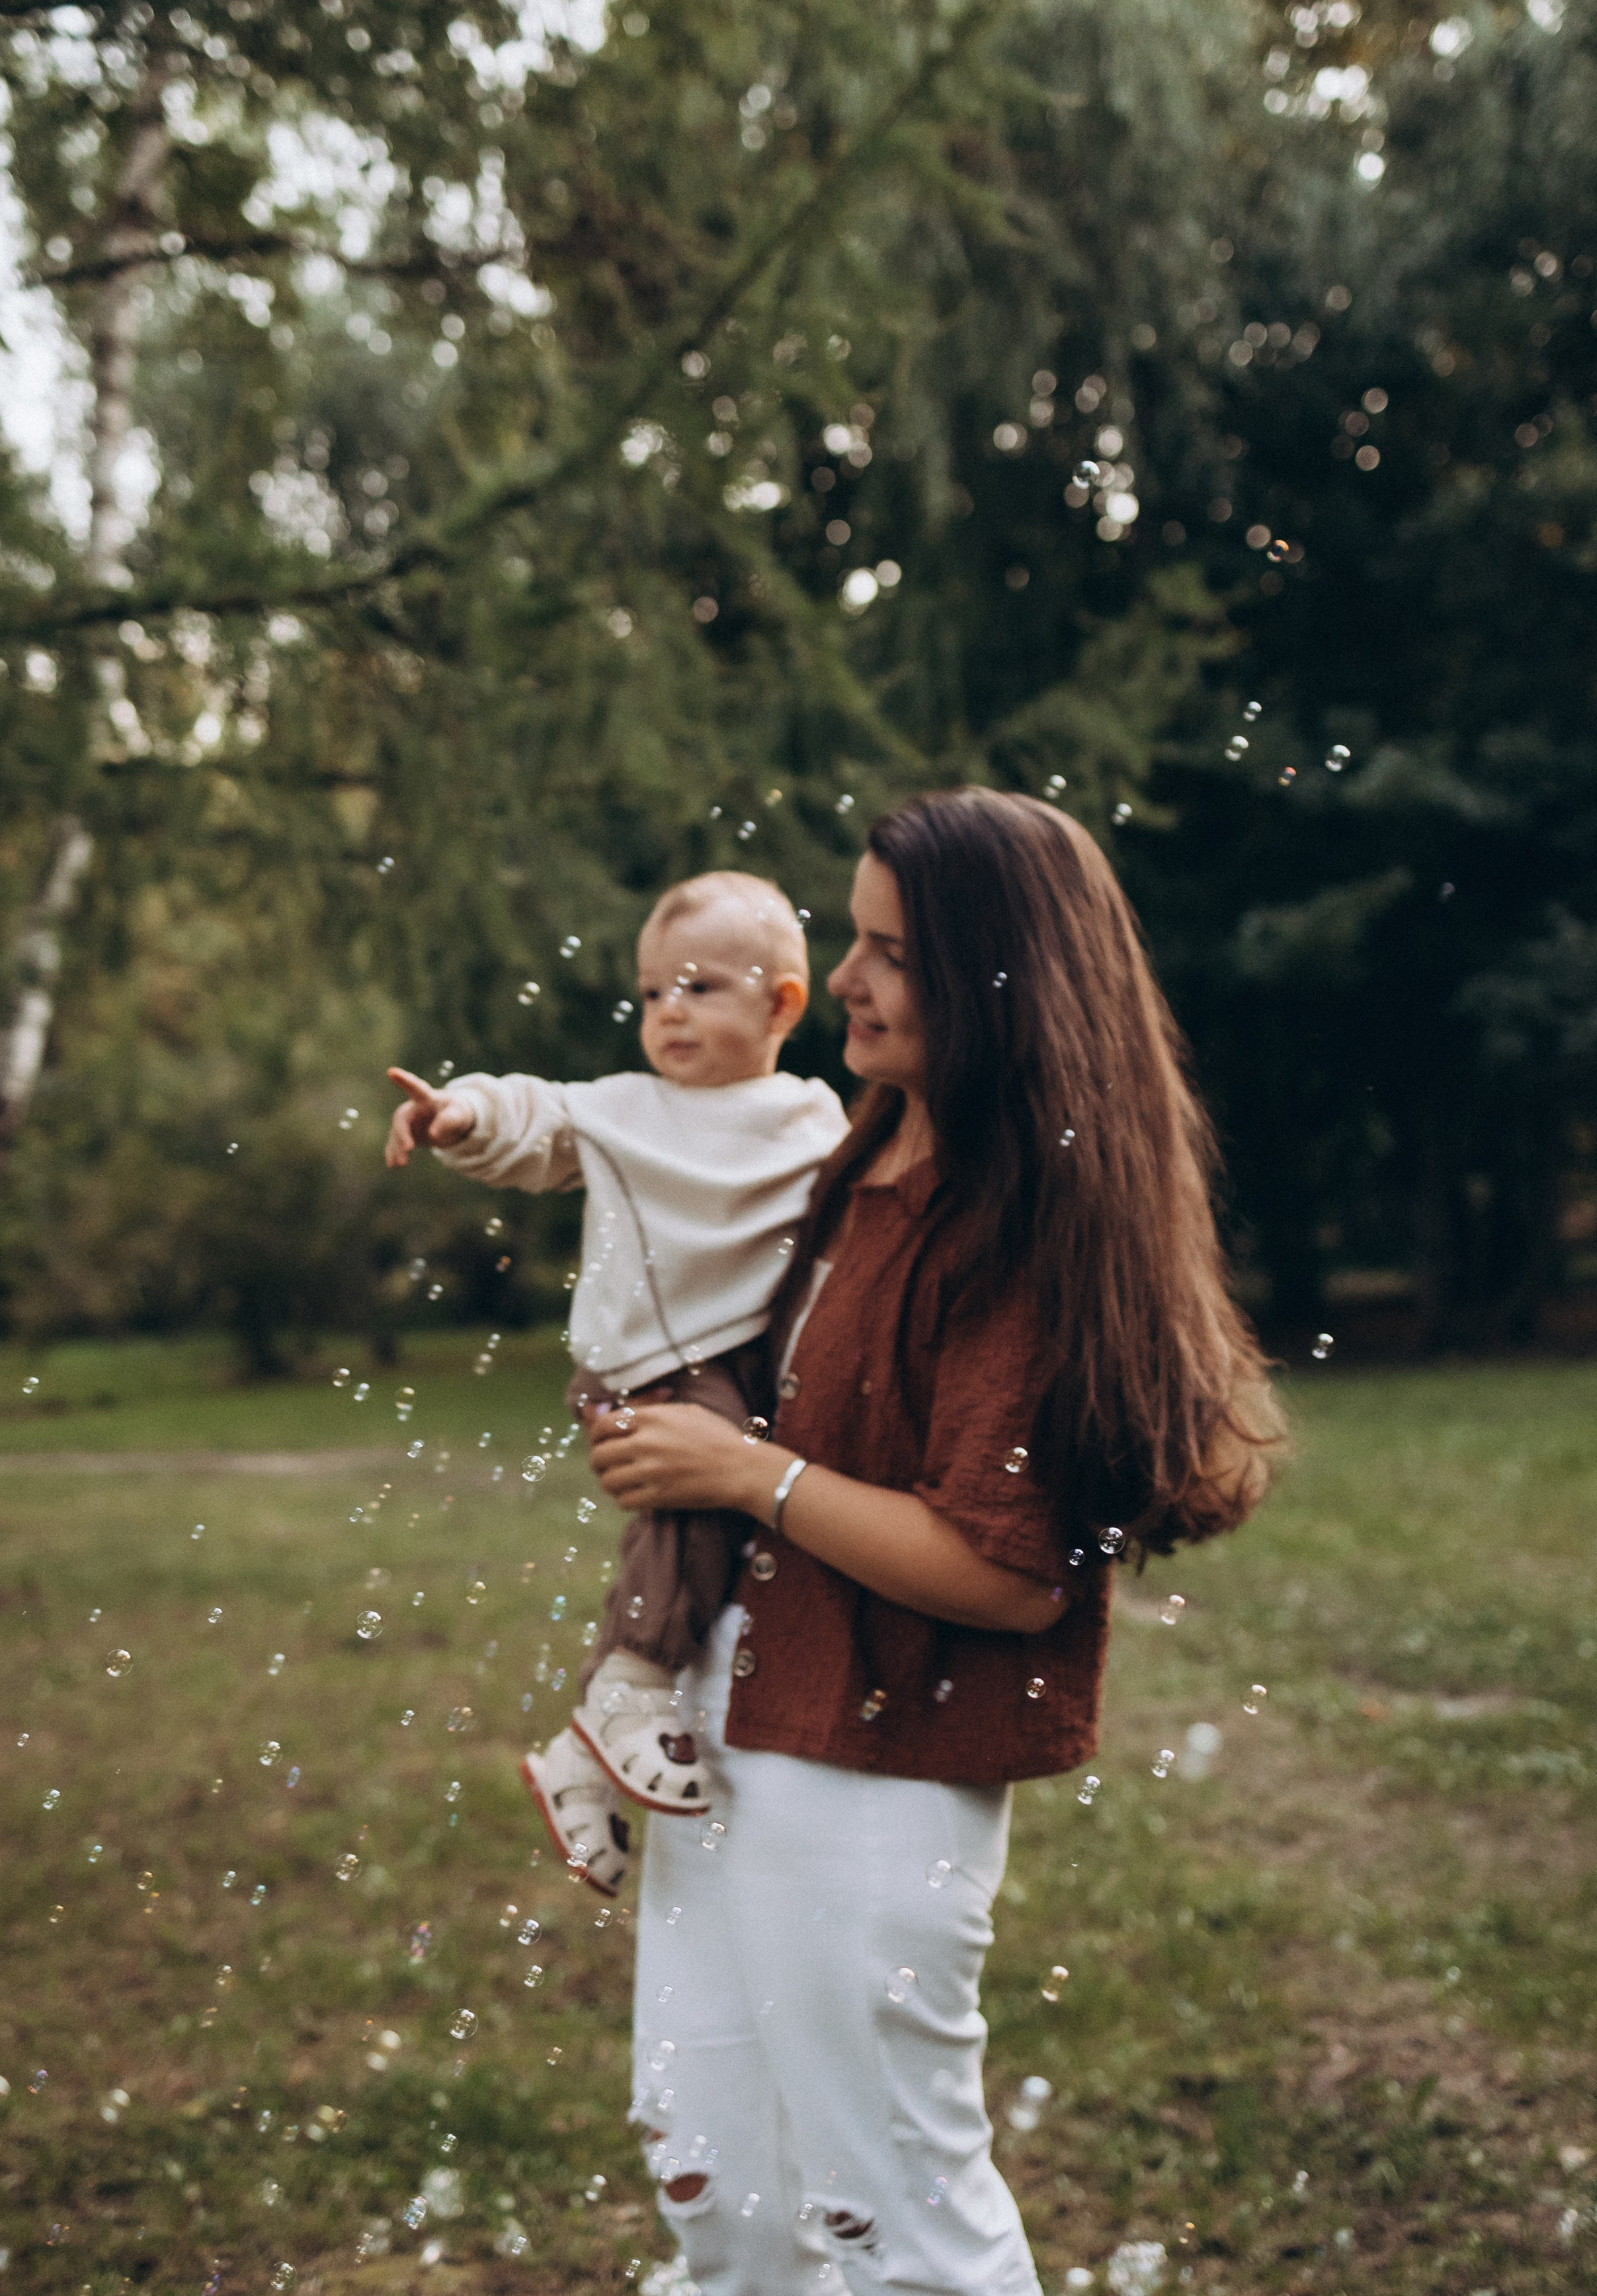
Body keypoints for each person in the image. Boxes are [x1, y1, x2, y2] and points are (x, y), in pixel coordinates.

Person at [584, 787, 1284, 2296]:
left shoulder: (1016, 1226)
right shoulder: (860, 1154)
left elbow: (1008, 1574)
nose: (842, 977)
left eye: (885, 950)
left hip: (881, 1765)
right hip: (737, 1722)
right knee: (716, 2180)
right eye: (850, 938)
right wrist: (667, 1434)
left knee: (888, 2214)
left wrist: (742, 1470)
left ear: (992, 983)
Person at [384, 871, 849, 1899]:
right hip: (648, 1365)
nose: (668, 1011)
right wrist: (462, 1115)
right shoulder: (627, 1112)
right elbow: (537, 1122)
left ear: (782, 1005)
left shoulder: (811, 1119)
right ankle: (628, 1686)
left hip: (744, 1363)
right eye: (650, 994)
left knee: (729, 1524)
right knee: (704, 1493)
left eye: (699, 988)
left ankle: (575, 1761)